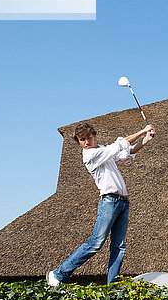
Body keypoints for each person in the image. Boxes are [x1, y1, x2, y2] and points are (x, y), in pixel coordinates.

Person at [46, 122, 156, 286]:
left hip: (123, 202)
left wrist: (146, 140)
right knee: (96, 243)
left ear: (93, 136)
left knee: (119, 246)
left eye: (88, 138)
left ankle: (113, 287)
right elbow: (119, 144)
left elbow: (128, 151)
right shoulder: (90, 156)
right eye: (82, 140)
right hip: (109, 201)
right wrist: (142, 130)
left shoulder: (101, 150)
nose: (86, 142)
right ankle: (59, 274)